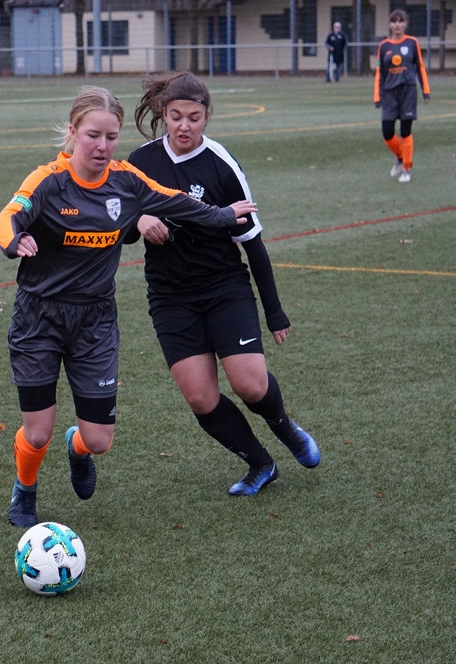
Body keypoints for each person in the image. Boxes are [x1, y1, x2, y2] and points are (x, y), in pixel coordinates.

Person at [0, 86, 257, 527]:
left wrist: (223, 216)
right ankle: (25, 491)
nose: (102, 146)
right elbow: (7, 217)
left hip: (94, 322)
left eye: (111, 137)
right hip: (38, 317)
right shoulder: (46, 180)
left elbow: (176, 201)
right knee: (36, 433)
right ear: (74, 132)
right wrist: (14, 240)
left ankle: (76, 447)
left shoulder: (126, 181)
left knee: (99, 441)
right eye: (93, 135)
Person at [127, 72, 320, 497]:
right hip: (170, 296)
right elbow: (118, 224)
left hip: (223, 289)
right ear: (164, 113)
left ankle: (284, 427)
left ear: (207, 117)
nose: (183, 126)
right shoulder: (140, 162)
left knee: (249, 383)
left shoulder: (221, 164)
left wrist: (274, 310)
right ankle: (260, 463)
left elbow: (252, 243)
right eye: (176, 116)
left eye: (193, 118)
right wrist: (138, 219)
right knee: (200, 397)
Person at [374, 9, 431, 183]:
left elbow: (420, 68)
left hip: (408, 91)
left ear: (405, 24)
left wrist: (426, 91)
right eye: (394, 21)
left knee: (406, 131)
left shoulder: (412, 43)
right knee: (387, 133)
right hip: (389, 93)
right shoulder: (383, 46)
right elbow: (379, 72)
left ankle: (406, 168)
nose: (397, 25)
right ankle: (400, 157)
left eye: (401, 21)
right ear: (390, 25)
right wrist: (377, 96)